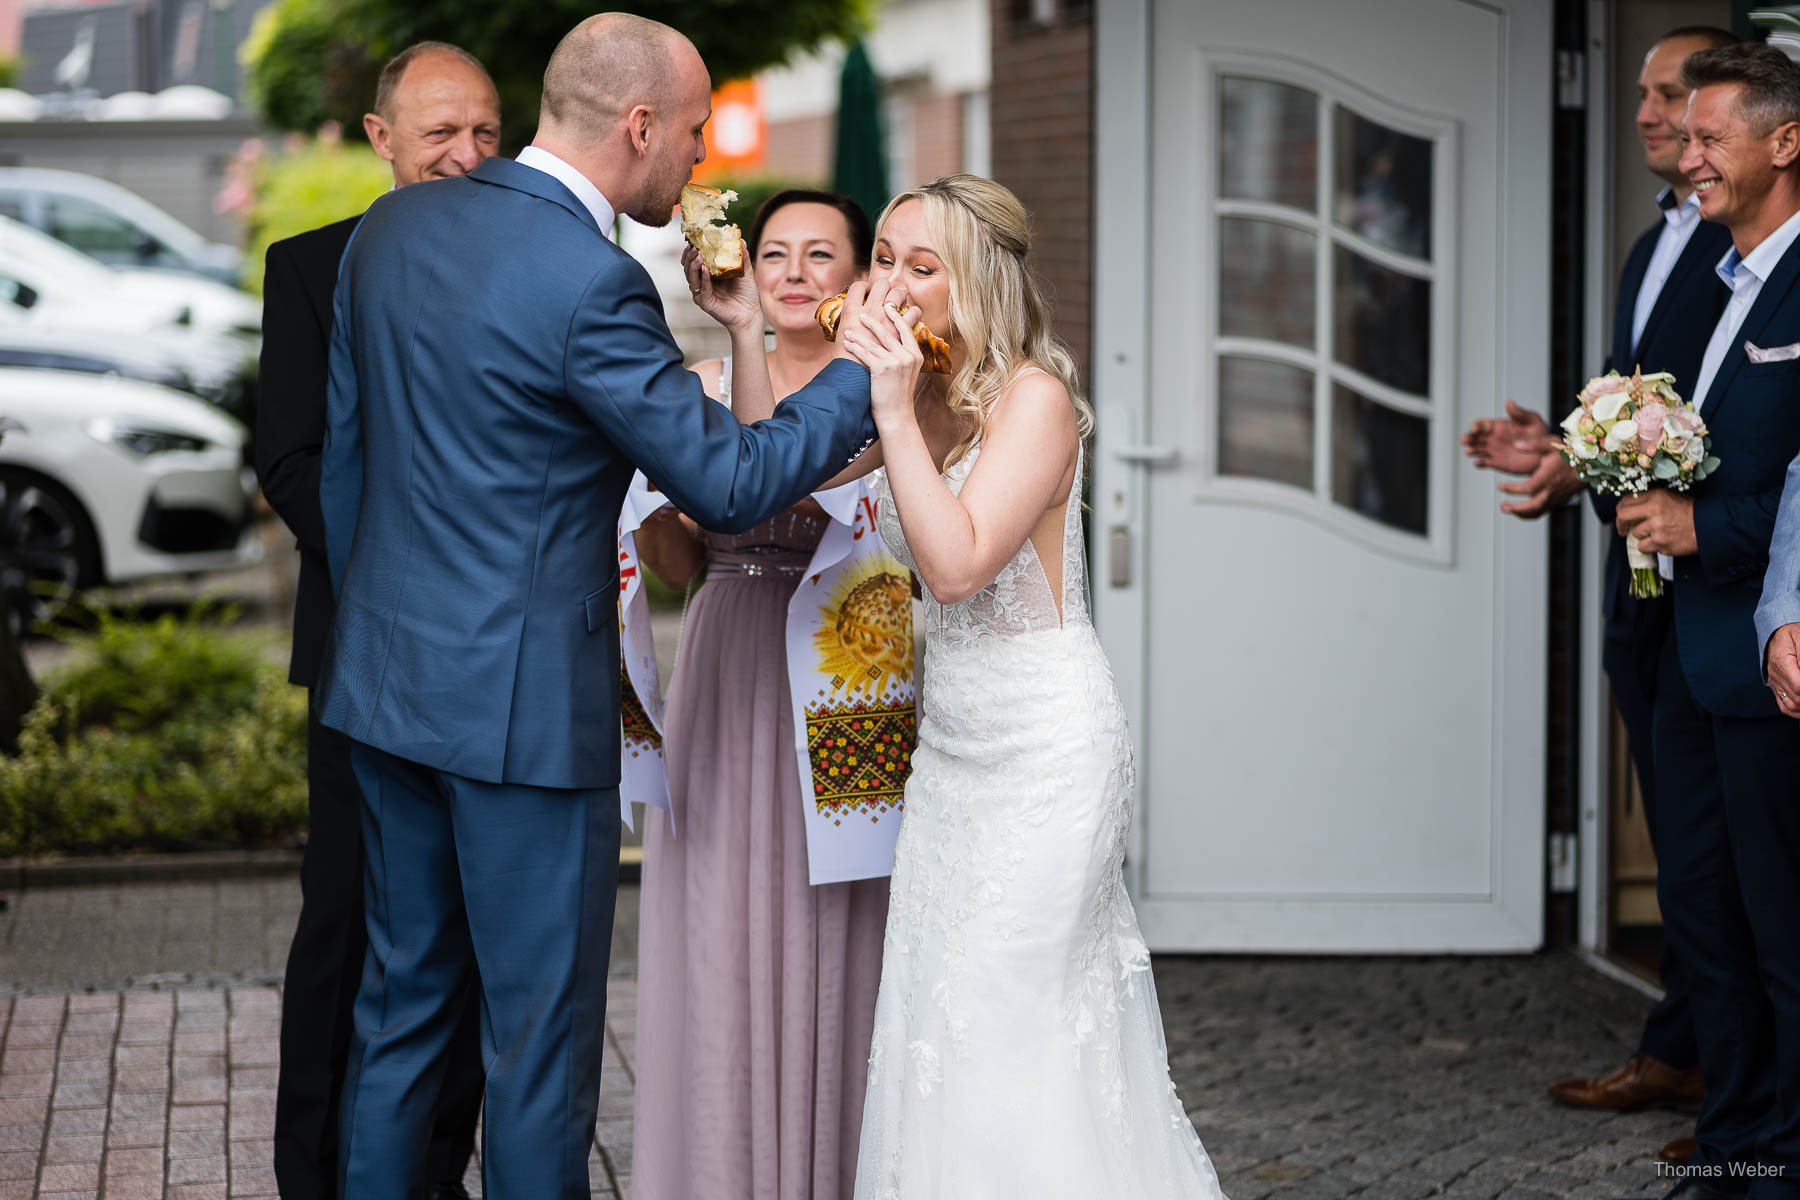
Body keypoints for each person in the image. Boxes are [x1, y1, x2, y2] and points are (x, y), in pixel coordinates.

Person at [312, 14, 881, 1198]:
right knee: (536, 1048)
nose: (697, 161)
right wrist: (861, 381)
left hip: (384, 689)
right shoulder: (591, 281)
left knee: (402, 1012)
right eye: (690, 131)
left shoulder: (390, 230)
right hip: (519, 717)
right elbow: (726, 479)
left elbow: (347, 470)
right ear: (637, 126)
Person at [826, 175, 1226, 1197]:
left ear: (982, 280)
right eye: (885, 259)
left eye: (925, 266)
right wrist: (749, 327)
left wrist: (888, 406)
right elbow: (789, 474)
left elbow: (955, 566)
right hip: (951, 764)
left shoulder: (1035, 399)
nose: (897, 285)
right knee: (941, 1026)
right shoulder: (928, 397)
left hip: (1047, 759)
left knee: (1018, 1028)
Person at [1462, 26, 1735, 1158]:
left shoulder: (1749, 255)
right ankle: (1683, 1046)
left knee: (1716, 844)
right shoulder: (1648, 245)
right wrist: (1569, 446)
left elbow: (1728, 432)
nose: (1644, 112)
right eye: (1642, 93)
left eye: (1670, 94)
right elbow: (1654, 408)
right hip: (1643, 585)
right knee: (1679, 835)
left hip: (1722, 582)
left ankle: (1739, 1095)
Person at [254, 40, 499, 1200]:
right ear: (380, 136)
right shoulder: (311, 269)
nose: (464, 155)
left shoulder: (537, 264)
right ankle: (316, 1176)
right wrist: (414, 568)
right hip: (365, 654)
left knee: (480, 937)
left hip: (505, 663)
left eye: (485, 133)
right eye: (439, 131)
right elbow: (290, 463)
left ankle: (435, 1169)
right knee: (349, 922)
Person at [629, 189, 905, 1200]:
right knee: (718, 917)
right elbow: (675, 562)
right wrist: (642, 477)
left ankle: (828, 1169)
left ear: (857, 279)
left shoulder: (878, 390)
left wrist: (740, 350)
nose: (790, 271)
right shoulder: (690, 386)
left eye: (819, 253)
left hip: (844, 664)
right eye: (774, 250)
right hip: (730, 650)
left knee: (837, 914)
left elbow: (762, 478)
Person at [1618, 43, 1800, 1200]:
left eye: (1707, 139)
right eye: (1681, 138)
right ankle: (1733, 1150)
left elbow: (1794, 486)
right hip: (1692, 653)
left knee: (1782, 931)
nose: (1685, 159)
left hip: (1769, 650)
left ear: (1785, 143)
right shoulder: (1724, 283)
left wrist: (1706, 528)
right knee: (1711, 920)